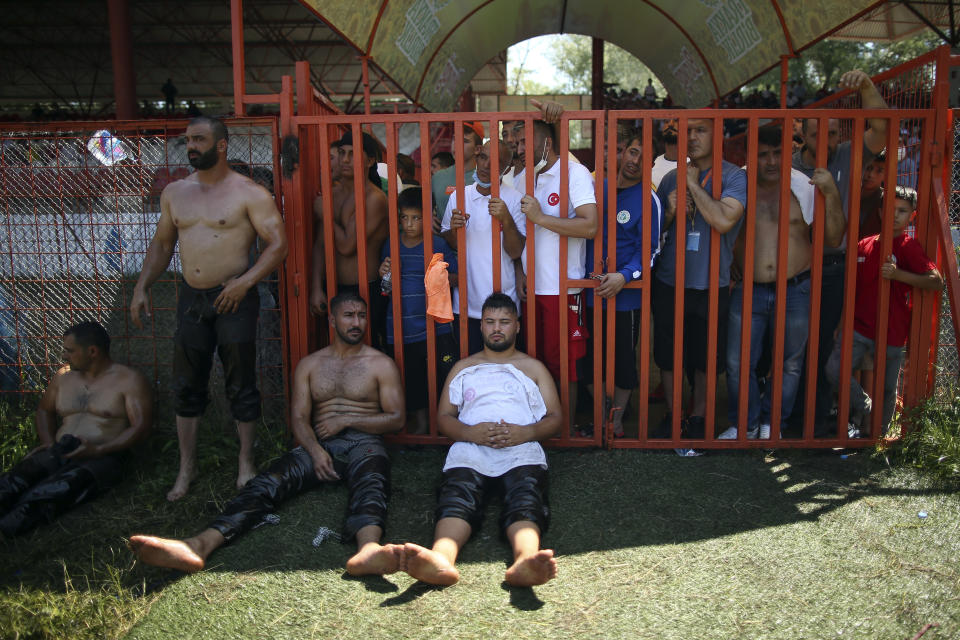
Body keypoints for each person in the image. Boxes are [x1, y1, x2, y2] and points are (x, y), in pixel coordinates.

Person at [130, 293, 407, 576]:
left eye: (361, 316)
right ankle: (199, 545)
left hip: (365, 443)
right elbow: (299, 417)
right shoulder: (311, 365)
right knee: (266, 483)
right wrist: (315, 450)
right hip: (320, 444)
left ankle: (369, 550)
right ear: (332, 319)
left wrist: (347, 419)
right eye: (349, 316)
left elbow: (396, 418)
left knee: (372, 481)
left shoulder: (379, 364)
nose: (356, 322)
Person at [130, 115, 288, 501]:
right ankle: (187, 467)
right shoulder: (176, 193)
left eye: (198, 139)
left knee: (241, 381)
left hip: (234, 294)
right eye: (187, 140)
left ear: (221, 145)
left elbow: (278, 243)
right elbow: (163, 245)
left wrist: (245, 282)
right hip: (192, 297)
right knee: (187, 382)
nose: (191, 147)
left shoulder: (248, 192)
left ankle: (245, 462)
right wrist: (141, 286)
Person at [395, 293, 560, 587]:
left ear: (517, 327)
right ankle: (441, 558)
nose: (497, 328)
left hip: (521, 449)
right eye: (490, 322)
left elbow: (555, 417)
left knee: (525, 498)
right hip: (471, 449)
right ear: (481, 327)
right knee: (457, 496)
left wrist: (527, 432)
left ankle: (526, 559)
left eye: (505, 322)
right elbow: (444, 416)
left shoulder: (533, 368)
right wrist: (470, 433)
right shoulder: (463, 367)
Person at [721, 126, 844, 440]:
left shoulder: (802, 185)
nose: (772, 161)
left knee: (789, 363)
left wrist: (831, 193)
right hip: (749, 288)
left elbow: (833, 237)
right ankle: (747, 425)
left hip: (796, 287)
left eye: (778, 153)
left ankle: (771, 424)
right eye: (763, 155)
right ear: (751, 156)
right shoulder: (739, 184)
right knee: (737, 363)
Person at [791, 69, 888, 435]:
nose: (827, 140)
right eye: (818, 133)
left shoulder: (849, 154)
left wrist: (866, 86)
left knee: (824, 343)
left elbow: (881, 128)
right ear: (804, 133)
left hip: (835, 268)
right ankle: (796, 414)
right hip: (799, 267)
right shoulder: (792, 165)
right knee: (793, 342)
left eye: (832, 133)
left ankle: (816, 417)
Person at [1, 322, 152, 537]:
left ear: (92, 351)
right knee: (10, 484)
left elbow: (141, 428)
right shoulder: (64, 377)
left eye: (69, 351)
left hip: (102, 456)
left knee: (43, 498)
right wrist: (48, 443)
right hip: (61, 448)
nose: (64, 356)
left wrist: (100, 450)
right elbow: (44, 411)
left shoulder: (129, 380)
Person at [653, 118, 747, 439]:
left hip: (712, 283)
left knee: (706, 355)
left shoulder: (734, 176)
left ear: (718, 134)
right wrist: (668, 214)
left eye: (700, 130)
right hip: (669, 280)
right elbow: (655, 234)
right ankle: (673, 413)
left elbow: (722, 221)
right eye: (687, 131)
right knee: (668, 353)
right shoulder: (668, 179)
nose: (691, 137)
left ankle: (699, 417)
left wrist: (693, 184)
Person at [825, 187, 942, 436]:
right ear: (880, 212)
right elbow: (851, 289)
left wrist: (898, 274)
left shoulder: (908, 246)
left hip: (892, 331)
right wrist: (840, 324)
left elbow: (936, 281)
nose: (895, 215)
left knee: (888, 388)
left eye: (902, 211)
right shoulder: (864, 245)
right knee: (834, 371)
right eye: (890, 210)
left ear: (912, 215)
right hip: (858, 327)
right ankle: (866, 407)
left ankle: (878, 436)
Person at [515, 119, 598, 432]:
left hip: (563, 288)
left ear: (547, 142)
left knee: (565, 366)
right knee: (534, 362)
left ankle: (566, 430)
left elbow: (589, 226)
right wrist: (521, 270)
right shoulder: (523, 177)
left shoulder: (574, 174)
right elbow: (524, 234)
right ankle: (542, 425)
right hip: (531, 288)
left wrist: (542, 217)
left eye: (526, 142)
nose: (520, 149)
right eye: (517, 143)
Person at [580, 130, 663, 437]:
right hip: (587, 292)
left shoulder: (648, 199)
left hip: (625, 297)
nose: (635, 160)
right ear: (622, 152)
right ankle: (601, 414)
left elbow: (651, 252)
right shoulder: (594, 189)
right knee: (587, 360)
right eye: (632, 152)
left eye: (643, 156)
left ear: (651, 164)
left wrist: (625, 277)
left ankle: (615, 422)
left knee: (623, 362)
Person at [379, 188, 458, 433]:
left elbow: (456, 278)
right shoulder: (391, 244)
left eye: (416, 218)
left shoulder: (438, 244)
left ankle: (442, 425)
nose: (410, 224)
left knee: (442, 374)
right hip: (402, 325)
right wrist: (383, 274)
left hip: (437, 325)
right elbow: (384, 285)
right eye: (405, 218)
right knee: (411, 378)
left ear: (430, 216)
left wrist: (439, 275)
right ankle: (422, 426)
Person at [441, 140, 526, 354]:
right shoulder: (459, 196)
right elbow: (450, 243)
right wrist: (454, 230)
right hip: (466, 302)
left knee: (504, 366)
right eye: (484, 158)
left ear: (507, 169)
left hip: (505, 304)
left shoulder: (515, 200)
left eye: (497, 162)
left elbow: (516, 252)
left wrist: (506, 219)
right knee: (469, 365)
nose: (488, 165)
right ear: (477, 158)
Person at [310, 132, 389, 351]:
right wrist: (316, 287)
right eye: (342, 153)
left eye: (353, 154)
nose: (345, 160)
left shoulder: (375, 199)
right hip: (333, 287)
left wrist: (324, 213)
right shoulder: (331, 195)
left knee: (367, 351)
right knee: (335, 350)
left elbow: (346, 246)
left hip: (367, 290)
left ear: (370, 160)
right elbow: (319, 244)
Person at [431, 123, 484, 219]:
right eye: (455, 139)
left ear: (477, 149)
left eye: (464, 141)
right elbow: (424, 207)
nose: (457, 144)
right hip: (441, 234)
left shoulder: (485, 178)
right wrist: (429, 217)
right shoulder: (438, 177)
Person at [858, 152, 885, 239]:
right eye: (868, 168)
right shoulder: (849, 193)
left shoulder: (886, 200)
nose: (871, 175)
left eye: (879, 171)